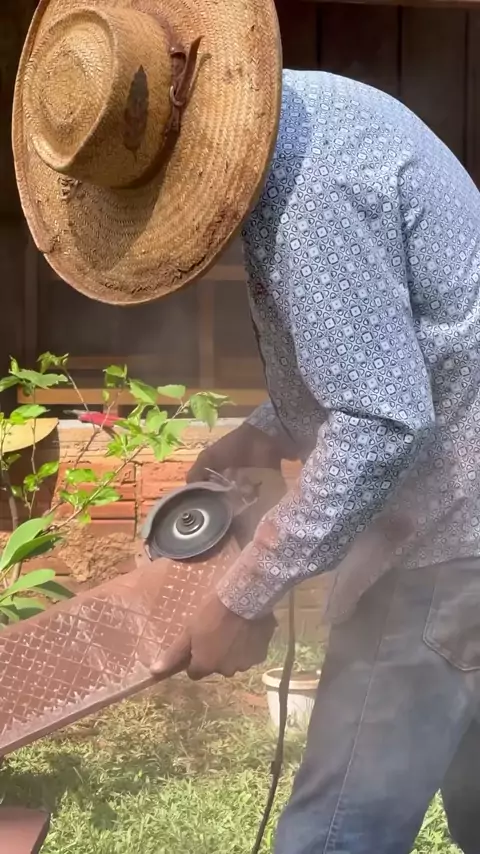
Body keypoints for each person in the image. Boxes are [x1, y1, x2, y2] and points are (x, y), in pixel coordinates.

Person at [13, 0, 480, 850]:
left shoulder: (312, 192)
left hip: (445, 545)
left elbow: (381, 419)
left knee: (333, 837)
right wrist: (271, 428)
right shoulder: (316, 117)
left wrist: (244, 593)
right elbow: (395, 347)